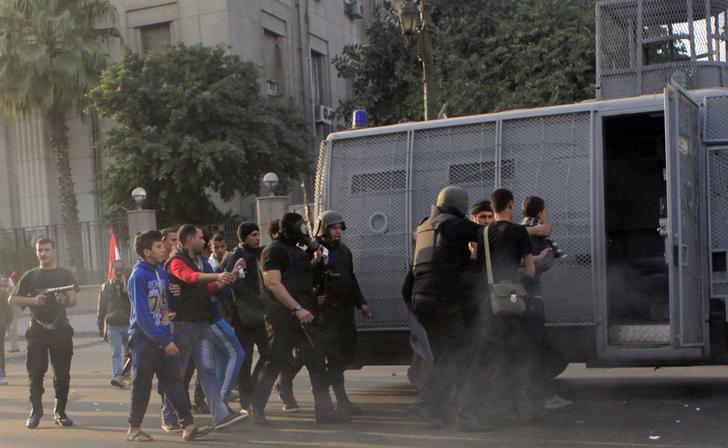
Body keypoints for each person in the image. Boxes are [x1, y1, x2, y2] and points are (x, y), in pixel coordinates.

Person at [250, 212, 350, 425]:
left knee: (316, 363)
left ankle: (324, 412)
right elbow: (273, 284)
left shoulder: (297, 252)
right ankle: (255, 408)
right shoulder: (273, 251)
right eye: (301, 227)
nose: (305, 230)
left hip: (305, 317)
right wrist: (296, 308)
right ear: (290, 229)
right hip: (282, 318)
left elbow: (306, 281)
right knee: (274, 363)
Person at [456, 188, 539, 431]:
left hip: (487, 301)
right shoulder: (518, 231)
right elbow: (531, 270)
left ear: (492, 208)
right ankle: (468, 414)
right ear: (511, 205)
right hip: (508, 301)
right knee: (516, 355)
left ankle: (513, 409)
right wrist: (517, 273)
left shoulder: (481, 233)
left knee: (495, 356)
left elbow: (476, 263)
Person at [276, 211, 371, 416]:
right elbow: (302, 280)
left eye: (340, 228)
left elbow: (350, 278)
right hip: (324, 312)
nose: (338, 232)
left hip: (345, 310)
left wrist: (361, 302)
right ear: (323, 229)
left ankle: (320, 384)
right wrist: (315, 266)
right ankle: (337, 398)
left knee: (346, 351)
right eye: (333, 227)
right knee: (324, 355)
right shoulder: (311, 251)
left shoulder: (344, 251)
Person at [126, 230, 211, 442]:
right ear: (146, 252)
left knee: (174, 381)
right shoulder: (138, 276)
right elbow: (143, 315)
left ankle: (188, 425)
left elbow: (164, 309)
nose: (163, 248)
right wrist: (164, 340)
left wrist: (174, 297)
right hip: (144, 340)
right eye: (157, 246)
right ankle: (134, 428)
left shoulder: (161, 273)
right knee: (142, 384)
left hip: (163, 337)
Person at [408, 186, 482, 427]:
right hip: (442, 300)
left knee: (445, 356)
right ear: (459, 205)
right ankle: (454, 412)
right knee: (461, 353)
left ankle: (433, 408)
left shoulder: (424, 227)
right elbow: (487, 234)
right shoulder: (452, 224)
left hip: (422, 299)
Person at [163, 224, 247, 431]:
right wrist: (218, 276)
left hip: (202, 324)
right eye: (201, 238)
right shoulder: (176, 262)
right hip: (182, 326)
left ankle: (220, 416)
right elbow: (189, 278)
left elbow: (210, 288)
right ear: (190, 239)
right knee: (178, 374)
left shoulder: (199, 261)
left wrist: (231, 274)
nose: (204, 241)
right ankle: (169, 418)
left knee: (207, 371)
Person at [8, 237, 80, 429]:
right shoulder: (31, 276)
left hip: (60, 329)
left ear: (54, 251)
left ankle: (60, 411)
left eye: (47, 250)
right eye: (40, 250)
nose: (43, 253)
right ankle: (36, 410)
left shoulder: (65, 274)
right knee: (35, 371)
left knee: (62, 373)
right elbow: (12, 299)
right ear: (36, 252)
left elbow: (73, 299)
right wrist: (33, 301)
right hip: (38, 330)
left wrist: (64, 299)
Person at [520, 196, 572, 411]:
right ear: (540, 212)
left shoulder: (517, 230)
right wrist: (540, 259)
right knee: (537, 348)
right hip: (532, 299)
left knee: (527, 348)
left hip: (516, 299)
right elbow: (548, 260)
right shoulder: (540, 232)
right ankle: (543, 396)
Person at [222, 222, 269, 412]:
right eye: (253, 235)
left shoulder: (259, 254)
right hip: (243, 317)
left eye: (258, 234)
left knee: (269, 354)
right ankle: (245, 402)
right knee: (245, 360)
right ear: (244, 238)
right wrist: (261, 300)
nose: (257, 238)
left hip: (259, 317)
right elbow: (237, 287)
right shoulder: (237, 257)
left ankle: (253, 392)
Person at [97, 259, 132, 388]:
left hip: (128, 324)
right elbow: (101, 308)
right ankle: (118, 376)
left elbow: (137, 303)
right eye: (116, 269)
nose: (119, 272)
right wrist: (100, 326)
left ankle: (126, 374)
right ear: (112, 271)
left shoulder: (129, 285)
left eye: (121, 270)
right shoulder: (106, 286)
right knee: (116, 352)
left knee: (129, 353)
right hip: (113, 325)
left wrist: (128, 294)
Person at [0, 273, 12, 385]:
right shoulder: (3, 293)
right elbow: (9, 310)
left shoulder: (3, 293)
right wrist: (8, 322)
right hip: (1, 324)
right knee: (0, 348)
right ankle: (2, 371)